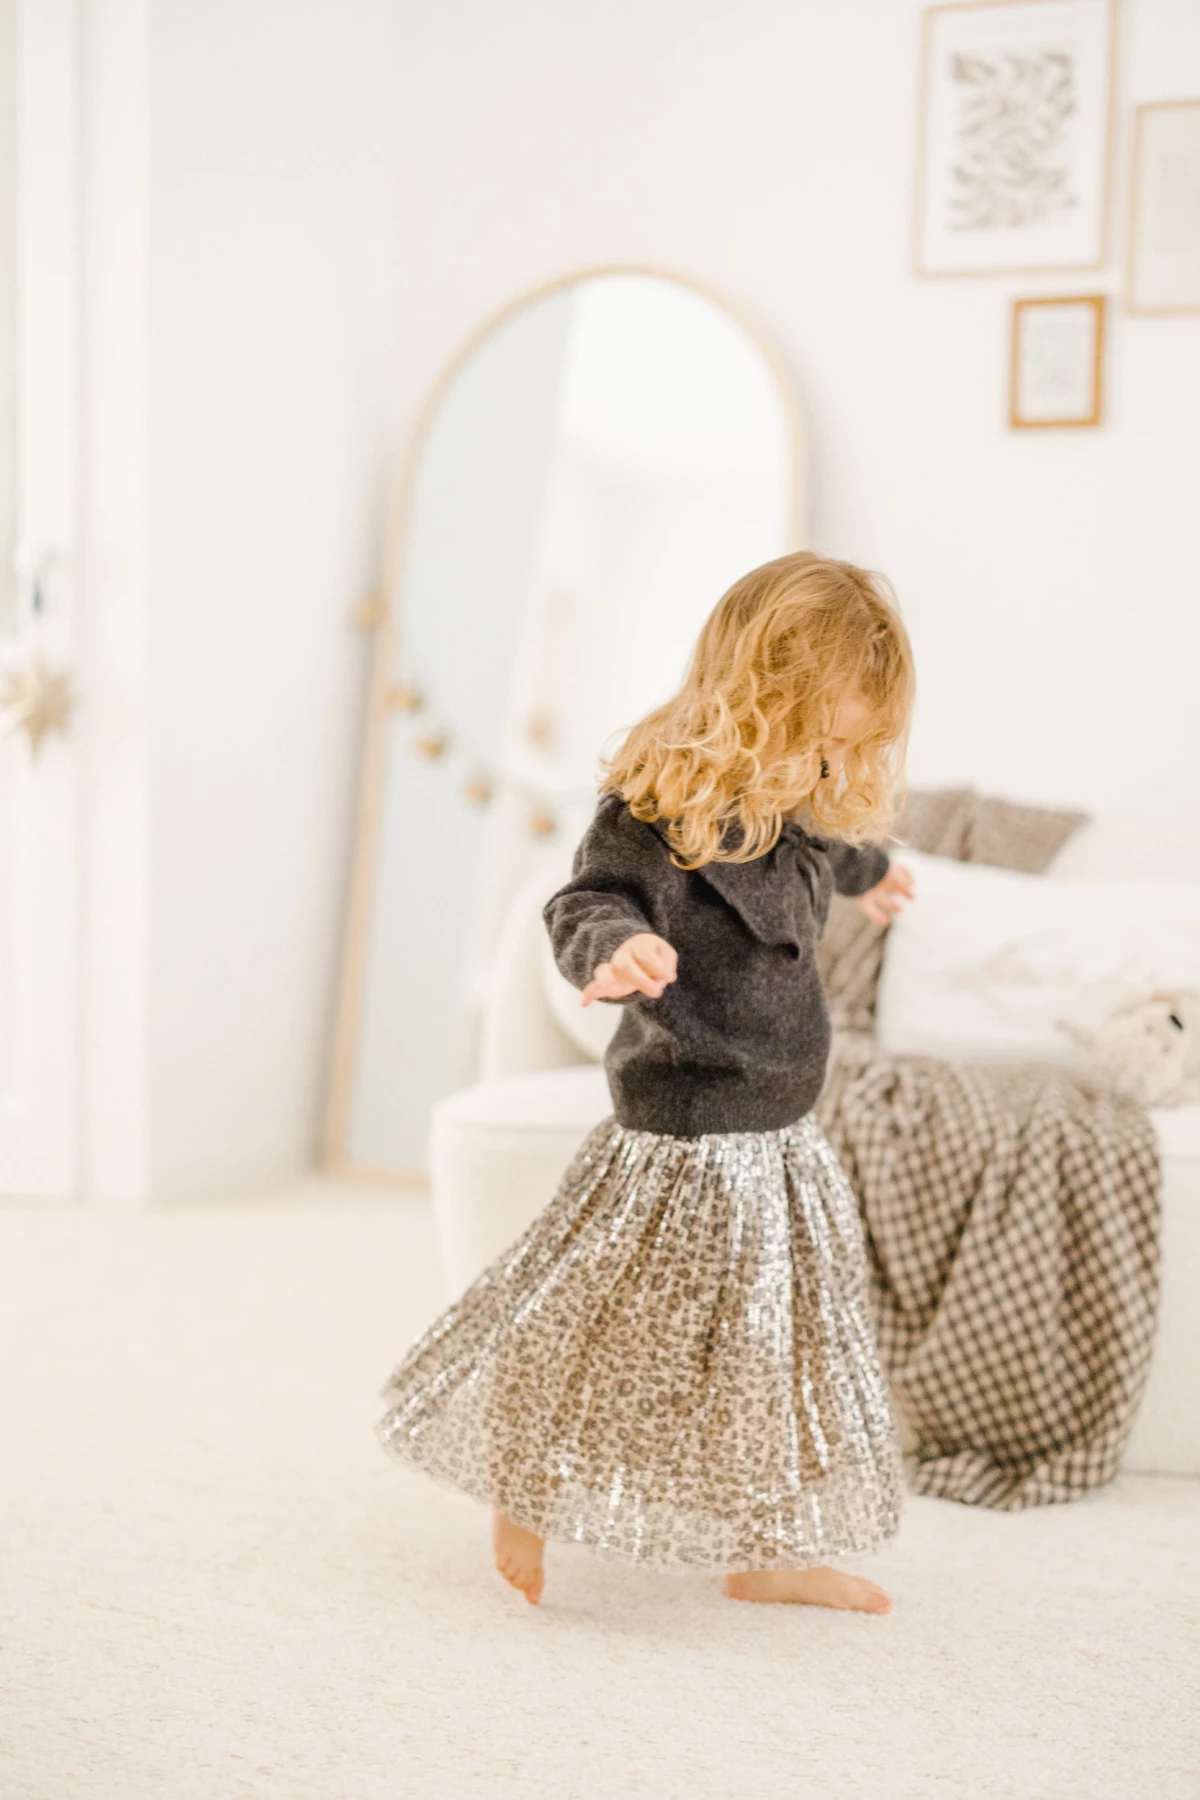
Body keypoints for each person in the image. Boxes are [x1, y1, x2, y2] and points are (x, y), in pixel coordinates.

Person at [378, 551, 916, 1614]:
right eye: (812, 738)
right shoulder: (656, 808)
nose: (822, 766)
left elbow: (829, 852)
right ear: (754, 699)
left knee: (780, 1349)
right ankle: (524, 1480)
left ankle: (767, 1546)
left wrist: (875, 871)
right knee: (606, 1326)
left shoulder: (799, 799)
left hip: (780, 1131)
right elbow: (585, 902)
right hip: (682, 1133)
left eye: (841, 751)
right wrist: (613, 947)